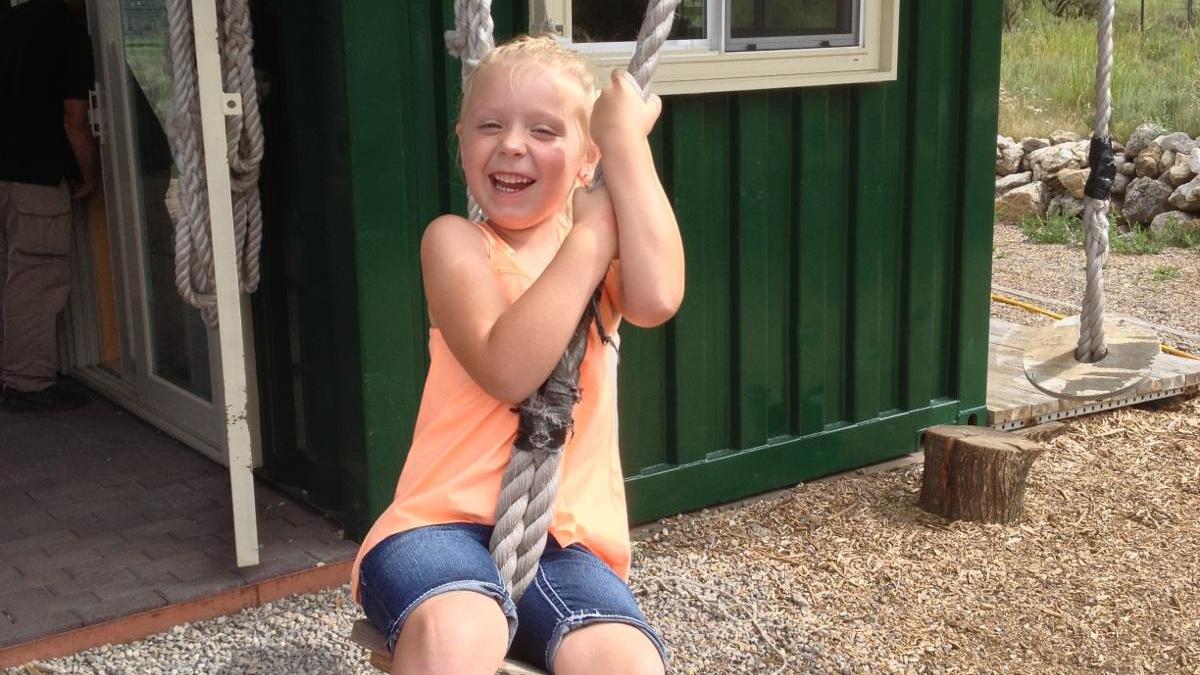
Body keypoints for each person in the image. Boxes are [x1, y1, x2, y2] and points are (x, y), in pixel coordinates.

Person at [352, 35, 684, 675]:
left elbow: (659, 297)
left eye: (544, 130)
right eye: (490, 125)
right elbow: (508, 369)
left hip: (566, 542)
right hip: (438, 528)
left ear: (587, 158)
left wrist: (626, 143)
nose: (511, 144)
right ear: (462, 141)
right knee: (460, 629)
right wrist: (591, 235)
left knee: (626, 661)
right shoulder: (455, 244)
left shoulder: (605, 261)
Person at [0, 0, 96, 412]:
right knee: (35, 278)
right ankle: (27, 383)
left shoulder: (8, 21)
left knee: (9, 272)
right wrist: (89, 173)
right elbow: (75, 117)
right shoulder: (66, 29)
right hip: (35, 175)